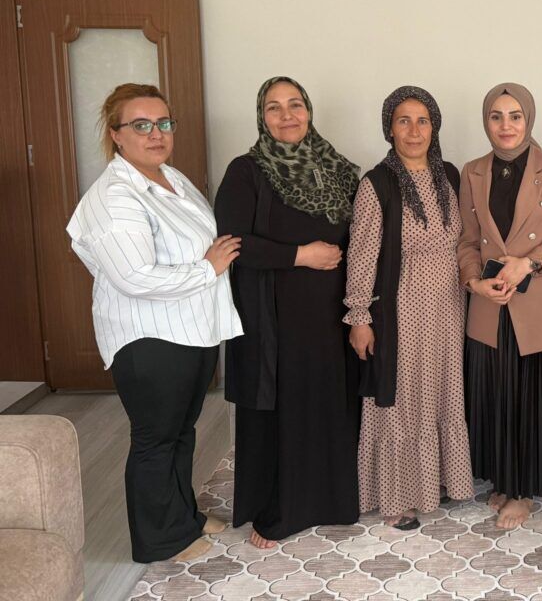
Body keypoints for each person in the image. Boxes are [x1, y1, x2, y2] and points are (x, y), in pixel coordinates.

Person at [67, 83, 242, 563]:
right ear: (116, 134)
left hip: (188, 329)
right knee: (155, 439)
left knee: (181, 430)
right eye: (141, 124)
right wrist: (207, 269)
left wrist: (206, 269)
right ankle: (160, 540)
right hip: (149, 338)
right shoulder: (115, 195)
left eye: (163, 123)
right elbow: (133, 275)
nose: (156, 133)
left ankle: (182, 516)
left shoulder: (169, 177)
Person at [215, 76, 363, 548]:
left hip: (331, 314)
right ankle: (280, 509)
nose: (287, 116)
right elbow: (233, 243)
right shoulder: (246, 171)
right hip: (274, 317)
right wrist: (300, 255)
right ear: (262, 117)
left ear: (309, 111)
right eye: (274, 108)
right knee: (285, 410)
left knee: (328, 403)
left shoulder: (339, 170)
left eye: (295, 105)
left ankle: (331, 501)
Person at [344, 86, 474, 529]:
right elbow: (362, 255)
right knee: (401, 398)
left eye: (423, 121)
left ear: (434, 127)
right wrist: (360, 317)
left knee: (443, 391)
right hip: (400, 311)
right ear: (389, 128)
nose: (414, 131)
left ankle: (438, 480)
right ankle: (396, 496)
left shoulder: (449, 176)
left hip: (449, 308)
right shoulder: (376, 183)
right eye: (404, 121)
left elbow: (466, 240)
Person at [458, 83, 542, 529]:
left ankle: (525, 491)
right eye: (496, 116)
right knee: (497, 395)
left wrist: (529, 263)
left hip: (541, 305)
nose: (506, 125)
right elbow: (467, 240)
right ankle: (505, 480)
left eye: (515, 115)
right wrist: (475, 282)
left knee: (535, 399)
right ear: (486, 121)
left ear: (528, 119)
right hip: (491, 304)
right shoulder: (472, 171)